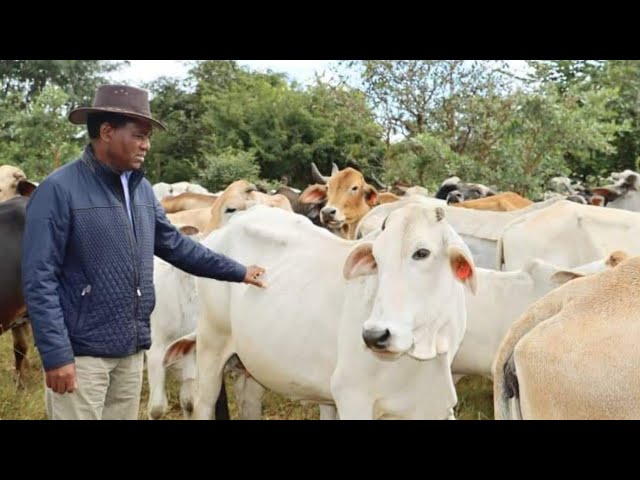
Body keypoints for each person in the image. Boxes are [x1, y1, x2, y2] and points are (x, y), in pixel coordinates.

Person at [21, 84, 265, 420]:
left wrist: (238, 271)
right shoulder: (58, 191)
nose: (146, 145)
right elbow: (38, 278)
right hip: (80, 356)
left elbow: (176, 246)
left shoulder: (141, 191)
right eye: (139, 135)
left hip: (130, 350)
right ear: (106, 132)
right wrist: (55, 353)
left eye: (148, 136)